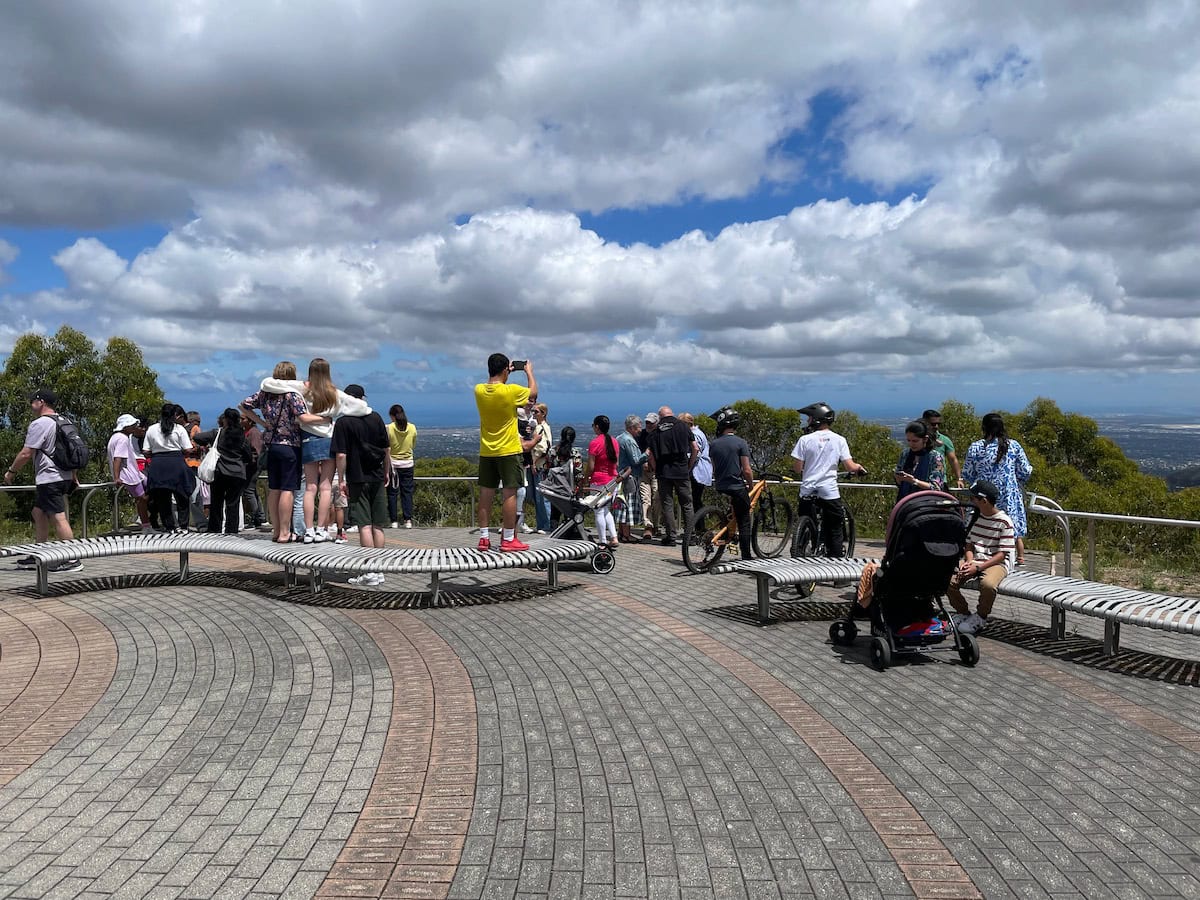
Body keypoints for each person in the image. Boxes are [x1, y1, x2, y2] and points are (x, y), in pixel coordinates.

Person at [240, 361, 323, 544]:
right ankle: (285, 532)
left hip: (271, 445)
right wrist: (324, 419)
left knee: (274, 488)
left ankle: (276, 531)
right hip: (290, 446)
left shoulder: (264, 394)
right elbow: (303, 417)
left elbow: (244, 405)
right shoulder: (292, 395)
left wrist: (261, 423)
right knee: (288, 489)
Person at [3, 388, 83, 572]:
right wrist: (73, 475)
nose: (31, 404)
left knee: (58, 518)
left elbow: (26, 452)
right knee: (38, 513)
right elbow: (73, 450)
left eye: (33, 401)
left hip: (50, 478)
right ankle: (39, 553)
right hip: (62, 476)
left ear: (41, 402)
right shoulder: (64, 421)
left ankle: (72, 559)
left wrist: (11, 472)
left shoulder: (40, 424)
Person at [474, 354, 538, 552]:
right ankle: (508, 538)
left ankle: (484, 538)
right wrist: (529, 372)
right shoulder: (510, 391)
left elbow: (491, 385)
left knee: (486, 493)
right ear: (506, 371)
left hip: (487, 450)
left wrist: (503, 371)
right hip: (508, 450)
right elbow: (533, 395)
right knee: (509, 493)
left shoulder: (479, 390)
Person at [331, 385, 391, 585]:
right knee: (378, 525)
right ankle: (380, 569)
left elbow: (341, 455)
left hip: (357, 477)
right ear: (362, 398)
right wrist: (386, 471)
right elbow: (386, 448)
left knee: (364, 524)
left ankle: (369, 571)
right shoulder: (376, 417)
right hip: (376, 476)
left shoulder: (343, 422)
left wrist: (341, 479)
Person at [790, 402, 867, 557]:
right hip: (828, 490)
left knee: (806, 524)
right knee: (835, 528)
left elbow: (797, 468)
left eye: (809, 418)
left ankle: (803, 552)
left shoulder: (804, 440)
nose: (808, 421)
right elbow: (850, 466)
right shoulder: (839, 440)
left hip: (807, 489)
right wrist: (859, 468)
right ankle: (838, 577)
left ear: (816, 419)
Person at [962, 412, 1033, 565]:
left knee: (979, 525)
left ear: (984, 427)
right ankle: (1015, 558)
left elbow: (967, 474)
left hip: (983, 496)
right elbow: (1025, 471)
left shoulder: (976, 447)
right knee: (1010, 527)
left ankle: (977, 556)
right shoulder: (1013, 446)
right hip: (1008, 495)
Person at [947, 480, 1015, 635]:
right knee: (948, 581)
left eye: (973, 499)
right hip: (976, 558)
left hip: (996, 562)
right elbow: (969, 544)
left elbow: (1002, 554)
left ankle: (981, 616)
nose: (970, 502)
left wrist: (978, 568)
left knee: (988, 585)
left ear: (984, 501)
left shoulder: (1004, 522)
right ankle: (963, 612)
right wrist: (969, 561)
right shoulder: (974, 516)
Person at [193, 408, 257, 535]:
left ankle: (214, 529)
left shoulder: (218, 433)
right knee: (232, 504)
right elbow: (248, 456)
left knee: (216, 503)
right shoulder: (241, 436)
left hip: (220, 473)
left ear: (225, 420)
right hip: (237, 474)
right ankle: (231, 531)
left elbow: (197, 437)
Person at [708, 406, 755, 560]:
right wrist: (750, 485)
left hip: (721, 485)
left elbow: (714, 468)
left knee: (732, 513)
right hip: (737, 486)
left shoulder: (714, 444)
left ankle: (729, 535)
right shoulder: (740, 443)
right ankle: (746, 558)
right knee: (745, 521)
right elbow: (747, 470)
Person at [647, 405, 697, 547]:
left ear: (660, 416)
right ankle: (691, 536)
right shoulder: (683, 427)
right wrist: (689, 466)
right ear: (672, 414)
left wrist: (657, 469)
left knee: (667, 505)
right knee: (687, 504)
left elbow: (650, 455)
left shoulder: (656, 431)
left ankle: (671, 537)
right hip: (681, 471)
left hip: (664, 473)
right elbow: (695, 448)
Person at [144, 403, 196, 533]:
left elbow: (145, 451)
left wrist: (157, 453)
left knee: (162, 499)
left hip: (158, 465)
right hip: (176, 463)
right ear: (175, 415)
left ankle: (169, 526)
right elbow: (188, 449)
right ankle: (183, 526)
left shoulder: (151, 429)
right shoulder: (179, 429)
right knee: (182, 496)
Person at [580, 415, 620, 550]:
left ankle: (602, 540)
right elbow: (616, 462)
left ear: (597, 427)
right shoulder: (614, 441)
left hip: (599, 481)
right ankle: (614, 536)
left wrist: (585, 480)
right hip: (613, 480)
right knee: (605, 510)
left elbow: (590, 466)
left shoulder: (595, 443)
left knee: (598, 511)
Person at [108, 413, 151, 529]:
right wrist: (117, 477)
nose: (134, 427)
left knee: (144, 496)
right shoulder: (123, 439)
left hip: (132, 473)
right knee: (142, 498)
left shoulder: (115, 437)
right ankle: (146, 526)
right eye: (131, 425)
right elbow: (118, 458)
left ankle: (146, 524)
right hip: (128, 475)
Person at [894, 420, 946, 502]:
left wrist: (914, 481)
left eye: (915, 441)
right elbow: (899, 482)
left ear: (925, 439)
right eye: (909, 441)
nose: (911, 444)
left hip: (926, 504)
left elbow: (936, 487)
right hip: (904, 502)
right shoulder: (905, 454)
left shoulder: (935, 457)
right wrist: (898, 478)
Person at [616, 415, 648, 543]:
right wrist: (647, 454)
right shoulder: (629, 440)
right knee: (628, 506)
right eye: (639, 427)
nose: (640, 430)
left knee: (621, 504)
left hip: (621, 475)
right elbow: (635, 460)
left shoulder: (619, 438)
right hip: (629, 477)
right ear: (632, 428)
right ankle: (626, 534)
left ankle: (621, 532)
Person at [386, 404, 417, 529]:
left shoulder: (389, 428)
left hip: (393, 464)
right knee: (407, 493)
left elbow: (386, 447)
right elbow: (413, 444)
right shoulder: (412, 427)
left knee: (392, 493)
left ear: (392, 416)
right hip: (408, 463)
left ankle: (394, 521)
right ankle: (407, 520)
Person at [923, 409, 963, 488]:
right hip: (921, 481)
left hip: (939, 481)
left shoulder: (945, 440)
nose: (936, 427)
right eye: (933, 424)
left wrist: (959, 479)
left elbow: (953, 459)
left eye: (938, 424)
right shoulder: (917, 440)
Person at [529, 403, 553, 533]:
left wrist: (533, 462)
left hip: (540, 466)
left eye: (536, 412)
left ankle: (545, 524)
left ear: (543, 413)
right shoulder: (542, 427)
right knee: (539, 497)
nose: (533, 414)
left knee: (542, 497)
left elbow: (543, 448)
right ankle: (542, 524)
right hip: (540, 465)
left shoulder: (541, 428)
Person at [240, 413, 266, 530]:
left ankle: (256, 518)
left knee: (249, 491)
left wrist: (250, 461)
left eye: (243, 419)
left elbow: (257, 450)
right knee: (252, 490)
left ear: (250, 421)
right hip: (249, 466)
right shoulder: (248, 431)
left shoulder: (254, 432)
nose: (241, 421)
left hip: (253, 466)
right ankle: (260, 516)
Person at [638, 412, 661, 540]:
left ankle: (655, 524)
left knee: (657, 499)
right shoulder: (642, 435)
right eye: (647, 422)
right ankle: (648, 525)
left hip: (656, 471)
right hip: (644, 471)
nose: (648, 425)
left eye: (651, 423)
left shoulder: (660, 435)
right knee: (645, 498)